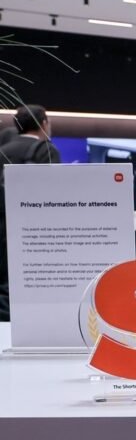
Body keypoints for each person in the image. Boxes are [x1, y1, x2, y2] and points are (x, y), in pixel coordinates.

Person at [0, 105, 60, 322]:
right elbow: (54, 195)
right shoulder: (46, 150)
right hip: (33, 232)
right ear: (43, 123)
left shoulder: (3, 149)